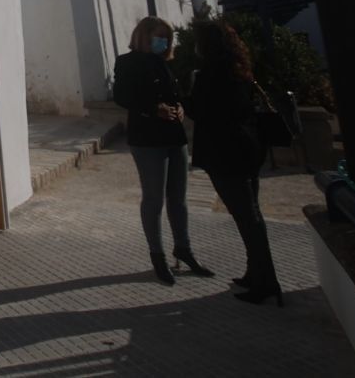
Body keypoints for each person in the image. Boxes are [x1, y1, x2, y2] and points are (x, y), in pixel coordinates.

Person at [185, 19, 284, 306]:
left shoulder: (209, 76)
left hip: (225, 153)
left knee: (247, 217)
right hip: (248, 149)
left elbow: (204, 112)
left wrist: (185, 100)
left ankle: (266, 282)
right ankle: (256, 273)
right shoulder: (239, 71)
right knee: (252, 214)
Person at [113, 16, 213, 285]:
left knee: (178, 198)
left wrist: (179, 107)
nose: (164, 43)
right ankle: (157, 256)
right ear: (144, 36)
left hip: (174, 135)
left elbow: (175, 93)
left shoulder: (165, 63)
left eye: (167, 39)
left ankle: (184, 248)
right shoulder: (127, 62)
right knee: (154, 198)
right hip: (146, 138)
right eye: (159, 37)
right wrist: (153, 108)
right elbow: (121, 96)